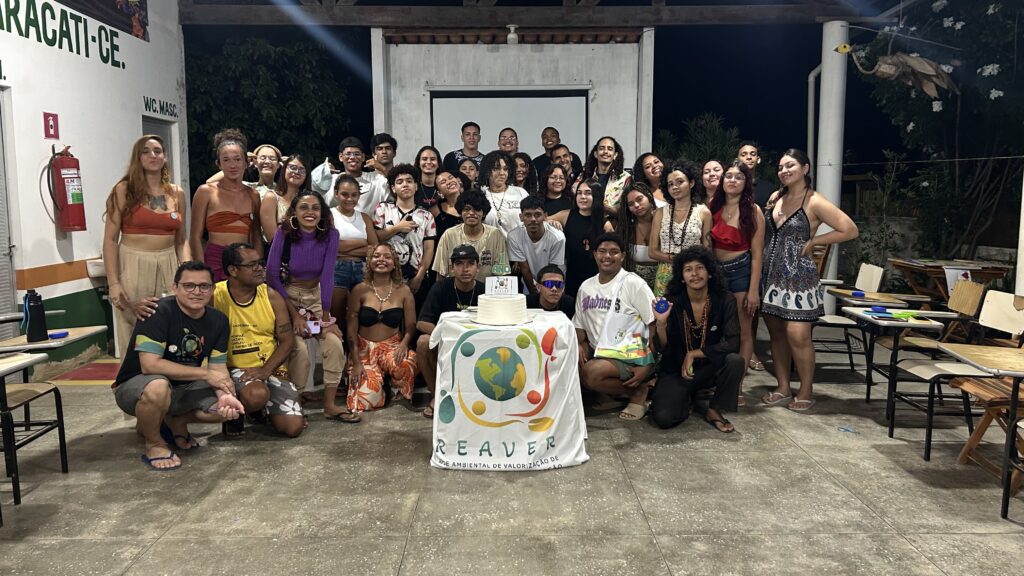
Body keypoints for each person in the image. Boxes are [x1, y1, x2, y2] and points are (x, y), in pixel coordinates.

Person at [112, 261, 244, 470]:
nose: (196, 292)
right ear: (175, 287)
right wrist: (205, 374)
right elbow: (150, 365)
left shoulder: (218, 320)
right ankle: (154, 443)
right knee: (158, 387)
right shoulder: (157, 312)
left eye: (204, 286)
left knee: (231, 405)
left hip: (183, 388)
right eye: (188, 286)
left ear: (212, 289)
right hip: (137, 386)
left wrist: (224, 395)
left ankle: (175, 421)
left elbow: (218, 369)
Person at [761, 149, 858, 412]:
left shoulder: (814, 201)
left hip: (799, 277)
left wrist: (816, 240)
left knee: (798, 334)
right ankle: (783, 386)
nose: (784, 170)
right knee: (777, 334)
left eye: (790, 165)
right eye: (780, 167)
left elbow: (849, 229)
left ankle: (805, 389)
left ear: (805, 168)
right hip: (771, 274)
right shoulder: (775, 198)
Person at [266, 191, 357, 422]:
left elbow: (327, 276)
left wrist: (325, 318)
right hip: (285, 299)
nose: (310, 212)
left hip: (314, 299)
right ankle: (294, 406)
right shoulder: (284, 233)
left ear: (322, 212)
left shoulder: (330, 235)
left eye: (315, 208)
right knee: (300, 350)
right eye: (304, 207)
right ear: (294, 212)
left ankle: (329, 404)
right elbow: (272, 276)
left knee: (334, 344)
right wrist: (295, 316)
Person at [103, 135, 190, 359]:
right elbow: (111, 240)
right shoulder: (124, 190)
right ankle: (132, 387)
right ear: (137, 157)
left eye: (158, 151)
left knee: (173, 325)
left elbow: (181, 241)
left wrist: (188, 273)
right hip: (133, 262)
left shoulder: (176, 193)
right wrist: (113, 283)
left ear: (165, 157)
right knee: (134, 325)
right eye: (146, 151)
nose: (153, 155)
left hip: (169, 262)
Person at [213, 243, 304, 438]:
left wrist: (265, 370)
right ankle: (240, 412)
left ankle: (257, 410)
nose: (259, 268)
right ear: (233, 270)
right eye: (252, 264)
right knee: (256, 395)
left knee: (293, 428)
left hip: (268, 366)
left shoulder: (271, 296)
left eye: (260, 263)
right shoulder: (215, 295)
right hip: (233, 369)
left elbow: (287, 341)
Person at [649, 246, 743, 431]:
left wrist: (694, 353)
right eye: (688, 269)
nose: (695, 274)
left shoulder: (725, 299)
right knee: (663, 418)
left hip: (710, 365)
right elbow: (662, 348)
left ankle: (714, 409)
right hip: (677, 369)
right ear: (682, 277)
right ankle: (689, 397)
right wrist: (661, 324)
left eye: (700, 268)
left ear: (709, 272)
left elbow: (733, 343)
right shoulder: (672, 301)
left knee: (735, 361)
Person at [574, 234, 656, 420]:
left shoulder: (633, 283)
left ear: (623, 256)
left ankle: (638, 392)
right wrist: (578, 345)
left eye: (614, 252)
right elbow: (579, 326)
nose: (607, 256)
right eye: (602, 251)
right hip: (601, 352)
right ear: (594, 254)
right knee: (568, 358)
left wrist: (648, 363)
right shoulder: (586, 287)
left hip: (631, 356)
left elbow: (653, 325)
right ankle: (610, 392)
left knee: (591, 373)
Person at [709, 160, 766, 405]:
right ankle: (716, 381)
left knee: (743, 332)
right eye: (728, 176)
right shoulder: (713, 206)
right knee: (718, 329)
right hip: (716, 273)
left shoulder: (753, 211)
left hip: (741, 271)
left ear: (746, 183)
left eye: (738, 177)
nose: (732, 180)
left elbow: (757, 254)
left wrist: (753, 290)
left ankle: (738, 386)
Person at [346, 243, 419, 411]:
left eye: (387, 257)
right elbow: (351, 331)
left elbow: (411, 325)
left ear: (394, 263)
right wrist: (356, 361)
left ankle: (397, 392)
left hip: (392, 346)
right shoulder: (359, 290)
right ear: (369, 261)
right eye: (377, 256)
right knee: (364, 403)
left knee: (406, 362)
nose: (381, 260)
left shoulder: (404, 291)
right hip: (364, 349)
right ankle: (379, 384)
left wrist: (404, 344)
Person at [416, 245, 486, 417]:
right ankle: (437, 395)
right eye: (459, 264)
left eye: (470, 263)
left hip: (478, 344)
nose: (465, 269)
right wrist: (449, 334)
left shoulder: (485, 291)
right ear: (452, 268)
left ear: (478, 267)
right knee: (423, 342)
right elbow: (422, 323)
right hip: (447, 342)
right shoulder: (440, 288)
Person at [190, 128, 263, 281]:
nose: (233, 165)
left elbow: (256, 236)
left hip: (245, 263)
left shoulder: (253, 195)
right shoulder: (206, 192)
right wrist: (200, 272)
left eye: (237, 159)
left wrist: (257, 266)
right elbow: (195, 237)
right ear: (218, 164)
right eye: (226, 160)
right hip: (214, 260)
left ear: (246, 162)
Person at [374, 164, 437, 304]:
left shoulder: (426, 216)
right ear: (392, 188)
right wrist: (398, 228)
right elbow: (376, 238)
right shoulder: (383, 209)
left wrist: (419, 277)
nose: (405, 185)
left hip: (415, 275)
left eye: (409, 181)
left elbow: (429, 249)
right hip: (386, 275)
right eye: (399, 181)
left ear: (416, 186)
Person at [650, 159, 711, 297]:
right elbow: (652, 252)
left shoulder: (703, 212)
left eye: (680, 182)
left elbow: (707, 251)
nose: (675, 187)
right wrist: (680, 260)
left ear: (691, 183)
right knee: (664, 316)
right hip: (665, 274)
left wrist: (689, 265)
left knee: (690, 314)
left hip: (693, 274)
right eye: (670, 184)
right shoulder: (660, 212)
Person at [330, 175, 379, 339]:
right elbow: (330, 248)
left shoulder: (364, 217)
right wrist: (360, 242)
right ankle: (341, 356)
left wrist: (342, 247)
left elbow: (374, 249)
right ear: (336, 194)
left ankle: (358, 353)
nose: (349, 199)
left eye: (354, 195)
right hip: (337, 268)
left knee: (361, 314)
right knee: (336, 316)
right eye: (344, 194)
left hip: (362, 269)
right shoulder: (329, 216)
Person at [551, 179, 613, 297]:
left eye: (588, 193)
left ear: (596, 196)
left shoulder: (605, 224)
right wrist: (553, 222)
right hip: (571, 277)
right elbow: (543, 220)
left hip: (596, 279)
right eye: (579, 193)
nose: (582, 197)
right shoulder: (566, 215)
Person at [433, 189, 508, 283]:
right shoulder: (449, 235)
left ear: (484, 213)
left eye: (476, 209)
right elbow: (441, 273)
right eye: (466, 209)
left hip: (487, 293)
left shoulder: (495, 234)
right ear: (460, 212)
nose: (471, 213)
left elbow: (501, 272)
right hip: (456, 292)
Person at [311, 137, 389, 215]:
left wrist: (382, 168)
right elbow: (312, 187)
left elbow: (395, 189)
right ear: (340, 157)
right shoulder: (333, 180)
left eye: (357, 154)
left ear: (363, 157)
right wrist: (323, 170)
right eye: (348, 154)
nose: (352, 157)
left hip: (369, 225)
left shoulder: (375, 179)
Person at [507, 196, 566, 294]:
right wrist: (535, 295)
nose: (533, 219)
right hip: (530, 279)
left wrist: (543, 294)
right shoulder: (514, 236)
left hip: (555, 278)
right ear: (521, 217)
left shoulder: (557, 237)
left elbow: (552, 269)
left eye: (538, 215)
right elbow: (524, 270)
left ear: (545, 216)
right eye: (528, 215)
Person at [260, 153, 311, 243]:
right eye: (293, 167)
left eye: (302, 170)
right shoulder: (271, 198)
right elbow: (272, 238)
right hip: (279, 253)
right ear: (284, 170)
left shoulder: (310, 201)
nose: (296, 172)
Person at [479, 150, 530, 236]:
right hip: (491, 247)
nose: (502, 173)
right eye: (496, 169)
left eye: (505, 169)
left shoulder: (520, 193)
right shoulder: (481, 196)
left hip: (520, 247)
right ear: (487, 171)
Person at [617, 183, 659, 287]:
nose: (636, 205)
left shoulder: (664, 221)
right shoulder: (626, 228)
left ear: (649, 196)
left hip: (661, 282)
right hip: (633, 284)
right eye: (631, 204)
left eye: (639, 199)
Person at [578, 136, 631, 215]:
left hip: (614, 224)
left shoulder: (625, 178)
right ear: (596, 154)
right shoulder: (585, 175)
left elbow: (626, 209)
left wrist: (597, 204)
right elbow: (573, 195)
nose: (605, 151)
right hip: (586, 222)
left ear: (615, 155)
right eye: (602, 148)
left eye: (610, 149)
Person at [433, 169, 469, 241]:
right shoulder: (434, 211)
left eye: (451, 178)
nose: (449, 182)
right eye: (443, 182)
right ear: (440, 193)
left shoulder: (474, 203)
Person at [738, 141, 774, 208]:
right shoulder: (730, 185)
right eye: (743, 154)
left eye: (753, 154)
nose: (749, 157)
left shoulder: (769, 188)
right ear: (737, 160)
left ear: (758, 160)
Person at [414, 145, 443, 210]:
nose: (429, 162)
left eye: (433, 159)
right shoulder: (413, 186)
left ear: (438, 163)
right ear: (419, 163)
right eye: (424, 159)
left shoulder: (444, 186)